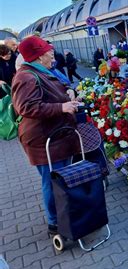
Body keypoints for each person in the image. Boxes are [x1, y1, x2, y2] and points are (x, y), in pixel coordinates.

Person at [12, 36, 81, 235]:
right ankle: (55, 223)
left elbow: (52, 92)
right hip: (44, 140)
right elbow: (27, 107)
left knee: (59, 178)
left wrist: (68, 92)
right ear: (39, 56)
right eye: (48, 50)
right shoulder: (26, 77)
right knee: (53, 181)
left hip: (55, 136)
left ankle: (65, 214)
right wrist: (62, 107)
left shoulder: (40, 72)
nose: (52, 52)